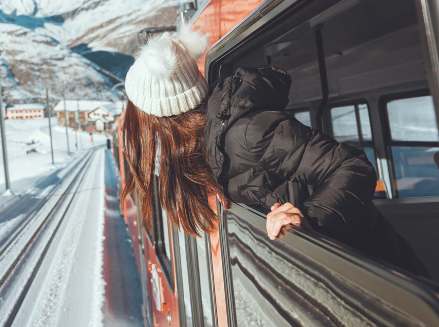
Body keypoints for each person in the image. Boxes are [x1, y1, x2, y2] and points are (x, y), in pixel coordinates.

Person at [120, 25, 429, 277]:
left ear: (163, 122)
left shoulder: (246, 133)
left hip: (381, 272)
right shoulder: (213, 144)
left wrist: (308, 221)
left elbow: (352, 166)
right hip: (356, 274)